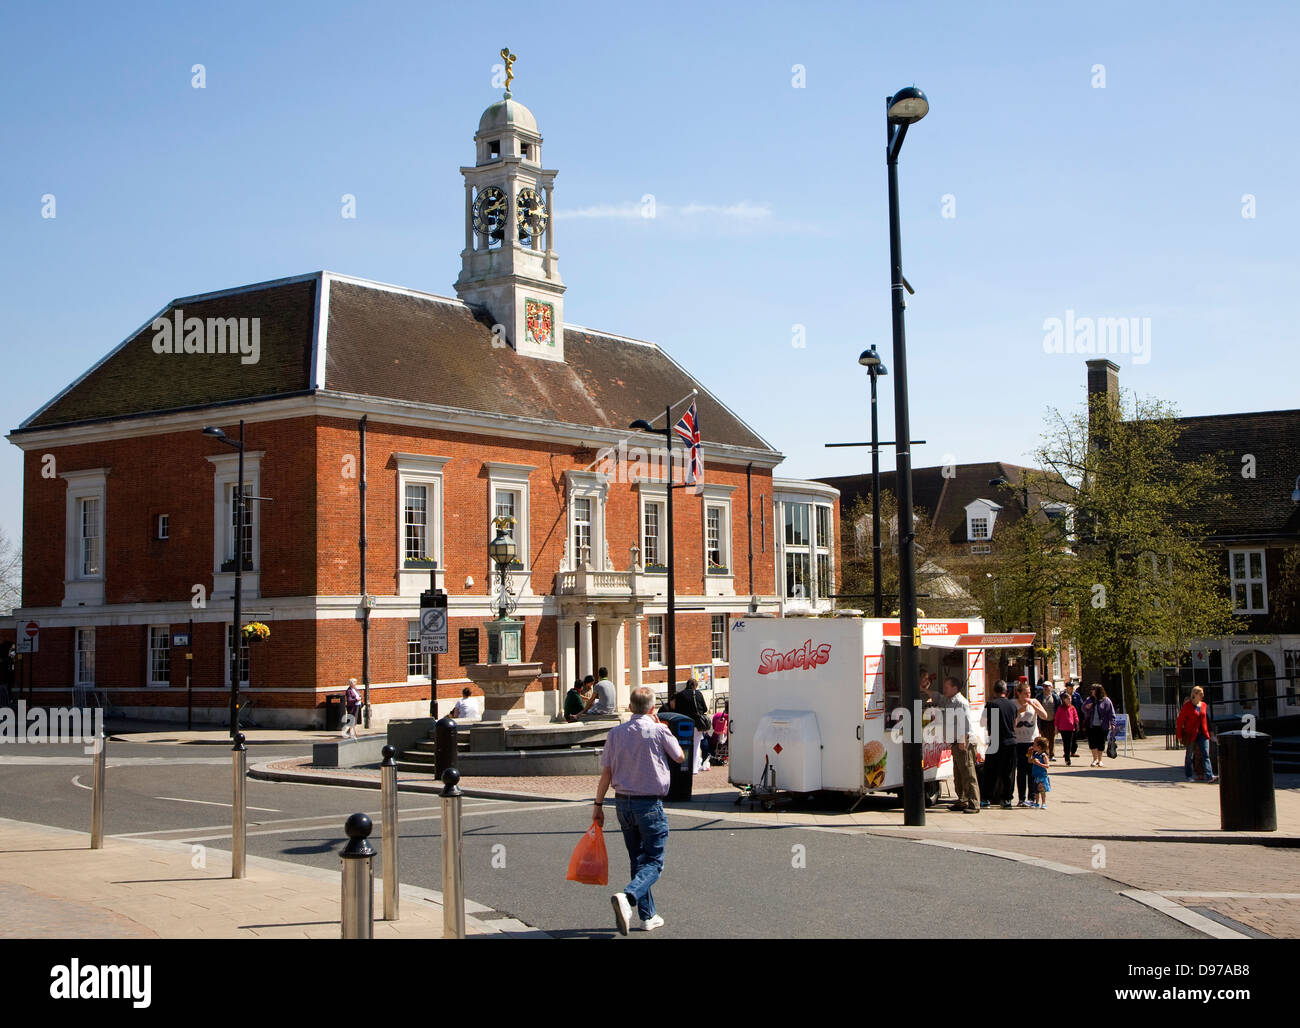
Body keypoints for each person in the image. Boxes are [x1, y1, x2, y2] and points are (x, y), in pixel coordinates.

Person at [593, 685, 684, 934]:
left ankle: (648, 916)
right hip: (649, 803)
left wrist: (598, 805)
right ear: (653, 708)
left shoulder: (615, 733)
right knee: (654, 861)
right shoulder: (657, 730)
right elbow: (679, 757)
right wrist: (664, 729)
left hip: (622, 802)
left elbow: (606, 773)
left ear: (631, 707)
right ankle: (629, 897)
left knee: (638, 859)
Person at [940, 676, 980, 813]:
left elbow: (966, 723)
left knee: (968, 774)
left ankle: (974, 803)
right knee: (958, 774)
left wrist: (963, 740)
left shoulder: (961, 702)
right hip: (955, 742)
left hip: (963, 742)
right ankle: (962, 800)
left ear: (954, 688)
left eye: (947, 687)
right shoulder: (950, 701)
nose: (944, 689)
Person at [983, 681, 1019, 808]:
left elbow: (983, 722)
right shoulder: (1013, 705)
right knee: (1008, 772)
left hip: (996, 741)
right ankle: (1007, 799)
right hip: (1011, 741)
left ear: (994, 691)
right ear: (1006, 691)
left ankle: (986, 798)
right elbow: (1014, 723)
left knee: (990, 770)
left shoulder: (991, 704)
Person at [1013, 683, 1048, 805]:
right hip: (1019, 741)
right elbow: (1011, 721)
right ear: (1018, 693)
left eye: (1029, 693)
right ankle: (1021, 798)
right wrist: (1019, 711)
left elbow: (1044, 716)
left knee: (1032, 770)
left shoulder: (1034, 702)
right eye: (1025, 693)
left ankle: (1032, 797)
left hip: (1032, 741)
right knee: (1021, 771)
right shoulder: (1013, 703)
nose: (1028, 695)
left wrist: (1033, 705)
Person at [1176, 686, 1217, 782]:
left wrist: (1211, 733)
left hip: (1203, 733)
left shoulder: (1203, 705)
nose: (1203, 695)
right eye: (1201, 693)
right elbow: (1180, 721)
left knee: (1206, 754)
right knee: (1189, 756)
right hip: (1191, 733)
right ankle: (1189, 775)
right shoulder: (1187, 706)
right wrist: (1179, 736)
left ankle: (1209, 775)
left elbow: (1206, 719)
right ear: (1194, 694)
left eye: (1202, 693)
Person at [676, 677, 710, 772]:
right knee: (696, 745)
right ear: (695, 686)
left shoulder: (680, 695)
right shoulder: (698, 694)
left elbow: (677, 710)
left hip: (683, 723)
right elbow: (705, 709)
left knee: (684, 745)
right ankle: (694, 769)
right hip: (696, 723)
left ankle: (684, 766)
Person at [1081, 684, 1116, 767]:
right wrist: (1087, 707)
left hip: (1102, 726)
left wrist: (1113, 723)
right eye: (1092, 689)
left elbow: (1111, 713)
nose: (1092, 691)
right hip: (1091, 725)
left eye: (1093, 689)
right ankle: (1094, 759)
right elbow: (1082, 708)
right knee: (1092, 742)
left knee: (1101, 743)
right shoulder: (1089, 699)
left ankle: (1100, 760)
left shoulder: (1106, 700)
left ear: (1098, 691)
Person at [1054, 686, 1080, 766]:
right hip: (1063, 728)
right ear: (1064, 700)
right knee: (1066, 743)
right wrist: (1056, 728)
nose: (1069, 700)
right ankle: (1067, 758)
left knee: (1070, 742)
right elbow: (1057, 718)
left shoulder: (1072, 708)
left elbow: (1076, 716)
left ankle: (1068, 755)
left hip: (1071, 728)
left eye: (1070, 699)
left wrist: (1077, 724)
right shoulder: (1060, 708)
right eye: (1068, 699)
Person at [1029, 738, 1051, 808]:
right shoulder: (1035, 754)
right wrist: (1029, 753)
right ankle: (1037, 802)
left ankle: (1044, 803)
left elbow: (1047, 766)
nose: (1033, 745)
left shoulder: (1043, 755)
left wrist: (1039, 764)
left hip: (1042, 775)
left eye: (1034, 744)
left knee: (1042, 790)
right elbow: (1030, 761)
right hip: (1036, 775)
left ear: (1039, 747)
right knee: (1036, 791)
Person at [1038, 684, 1058, 760]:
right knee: (1044, 739)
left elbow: (1058, 709)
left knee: (1052, 738)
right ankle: (1045, 754)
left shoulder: (1055, 697)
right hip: (1043, 721)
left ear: (1051, 687)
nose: (1046, 688)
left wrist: (1057, 723)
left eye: (1047, 686)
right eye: (1044, 687)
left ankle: (1052, 754)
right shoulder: (1039, 697)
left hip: (1052, 721)